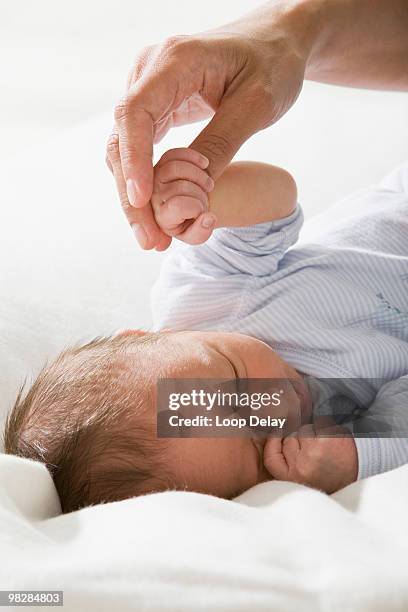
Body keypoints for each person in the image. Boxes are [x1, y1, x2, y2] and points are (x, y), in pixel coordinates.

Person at [4, 150, 408, 512]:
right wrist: (358, 457)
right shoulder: (322, 440)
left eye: (235, 383)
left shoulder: (207, 300)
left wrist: (200, 200)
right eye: (255, 445)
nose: (278, 407)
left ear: (144, 337)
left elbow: (276, 198)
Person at [106, 0, 408, 250]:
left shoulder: (214, 303)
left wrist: (193, 192)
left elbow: (278, 195)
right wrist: (292, 33)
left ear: (138, 327)